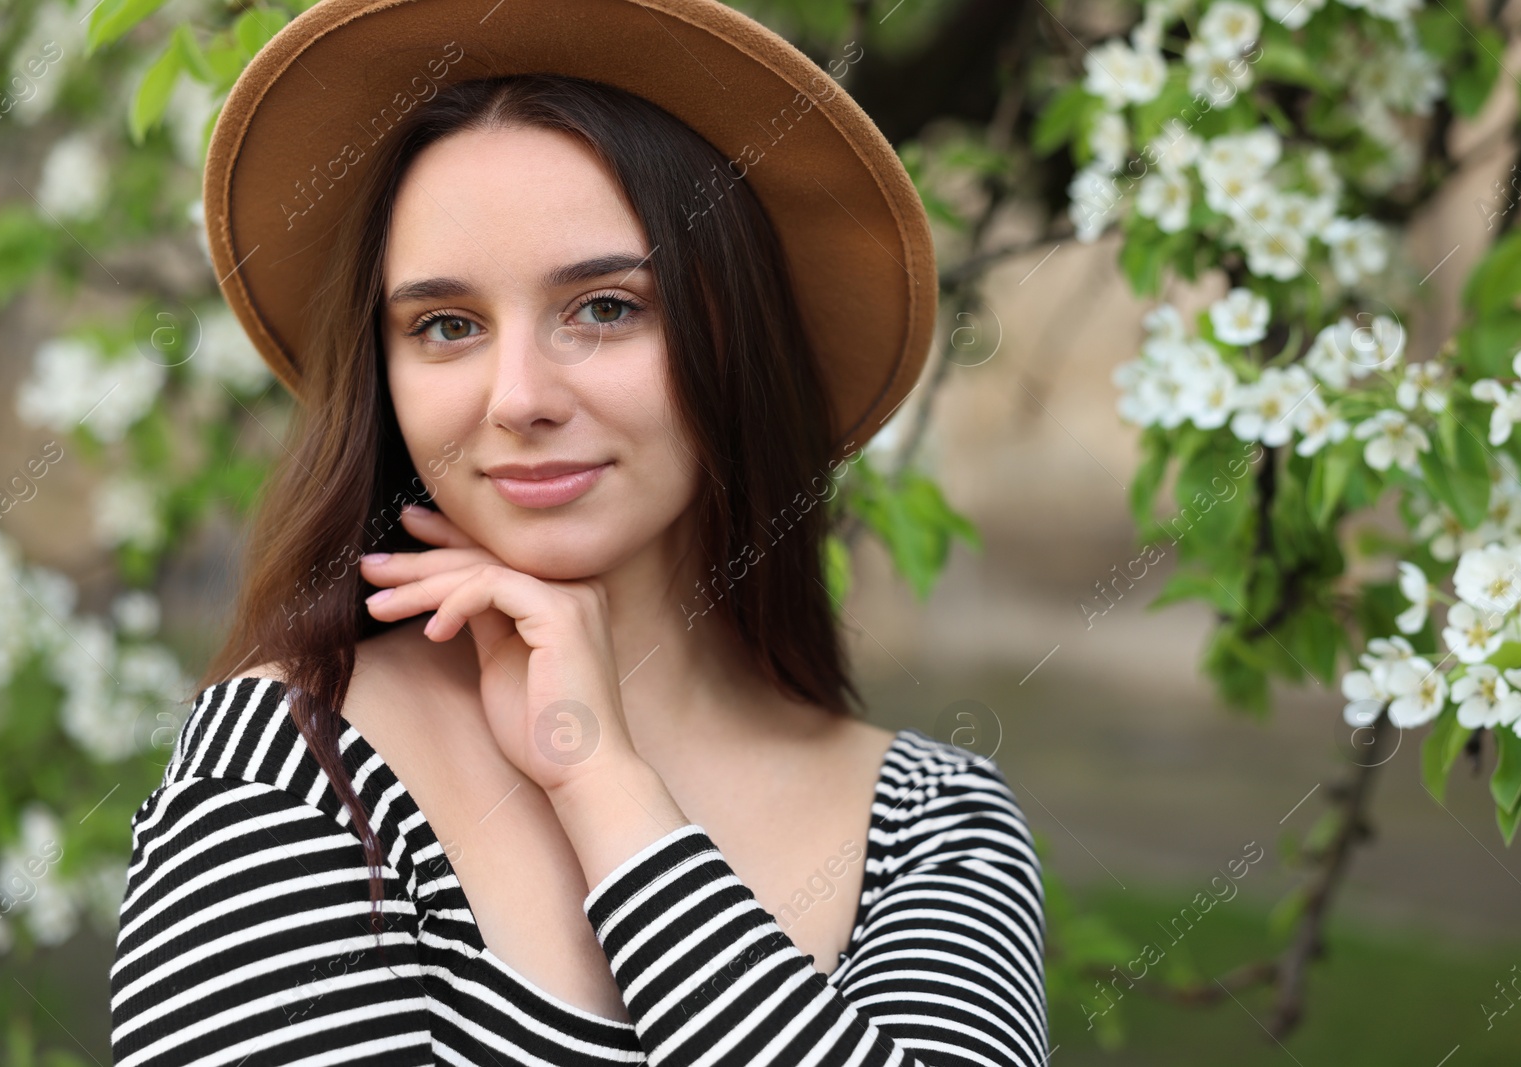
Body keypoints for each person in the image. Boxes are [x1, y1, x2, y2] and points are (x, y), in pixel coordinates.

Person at [109, 1, 1047, 1063]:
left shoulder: (932, 823)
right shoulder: (292, 761)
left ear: (733, 333)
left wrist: (605, 787)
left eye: (604, 307)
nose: (517, 397)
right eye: (446, 325)